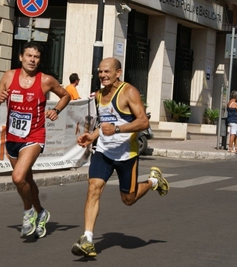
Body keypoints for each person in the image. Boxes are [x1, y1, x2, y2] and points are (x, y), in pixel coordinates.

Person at [71, 57, 169, 257]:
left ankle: (153, 181)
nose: (103, 75)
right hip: (104, 153)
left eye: (107, 71)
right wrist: (92, 137)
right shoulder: (98, 95)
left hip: (126, 154)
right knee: (93, 188)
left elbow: (143, 122)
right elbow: (104, 123)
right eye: (100, 72)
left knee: (128, 199)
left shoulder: (128, 92)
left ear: (118, 72)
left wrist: (117, 129)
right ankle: (88, 239)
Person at [0, 42, 71, 238]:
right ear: (21, 57)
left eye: (36, 57)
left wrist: (56, 110)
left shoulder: (46, 80)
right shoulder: (9, 76)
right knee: (26, 180)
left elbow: (66, 95)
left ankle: (29, 213)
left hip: (34, 136)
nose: (32, 60)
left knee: (17, 177)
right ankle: (41, 212)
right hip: (12, 137)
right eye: (29, 56)